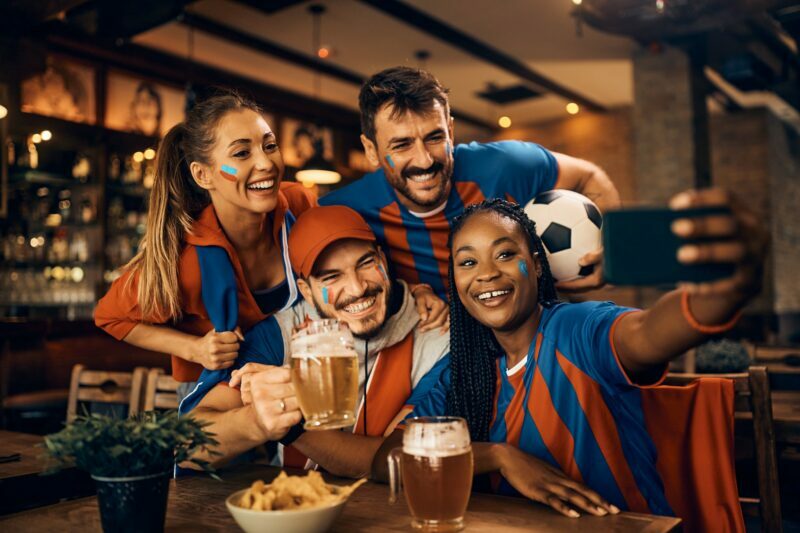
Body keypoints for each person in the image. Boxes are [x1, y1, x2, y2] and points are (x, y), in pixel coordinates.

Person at [378, 193, 764, 530]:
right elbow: (388, 460)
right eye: (467, 263)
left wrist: (726, 289)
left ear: (538, 264)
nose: (487, 274)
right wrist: (497, 457)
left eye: (506, 254)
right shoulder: (457, 371)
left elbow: (648, 334)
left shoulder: (575, 329)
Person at [180, 205, 450, 470]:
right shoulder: (280, 333)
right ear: (306, 291)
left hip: (394, 508)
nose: (357, 288)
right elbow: (188, 447)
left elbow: (397, 460)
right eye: (331, 277)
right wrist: (257, 420)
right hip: (295, 507)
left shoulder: (438, 335)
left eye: (366, 263)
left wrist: (292, 426)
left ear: (383, 260)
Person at [319, 66, 621, 298]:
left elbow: (590, 177)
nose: (424, 160)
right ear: (371, 150)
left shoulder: (506, 164)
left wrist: (610, 247)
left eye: (435, 137)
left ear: (450, 131)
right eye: (402, 145)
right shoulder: (345, 209)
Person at [94, 92, 318, 399]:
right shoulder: (187, 261)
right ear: (202, 174)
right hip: (217, 390)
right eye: (241, 154)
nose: (266, 163)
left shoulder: (299, 205)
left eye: (270, 146)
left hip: (293, 379)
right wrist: (195, 348)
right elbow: (110, 316)